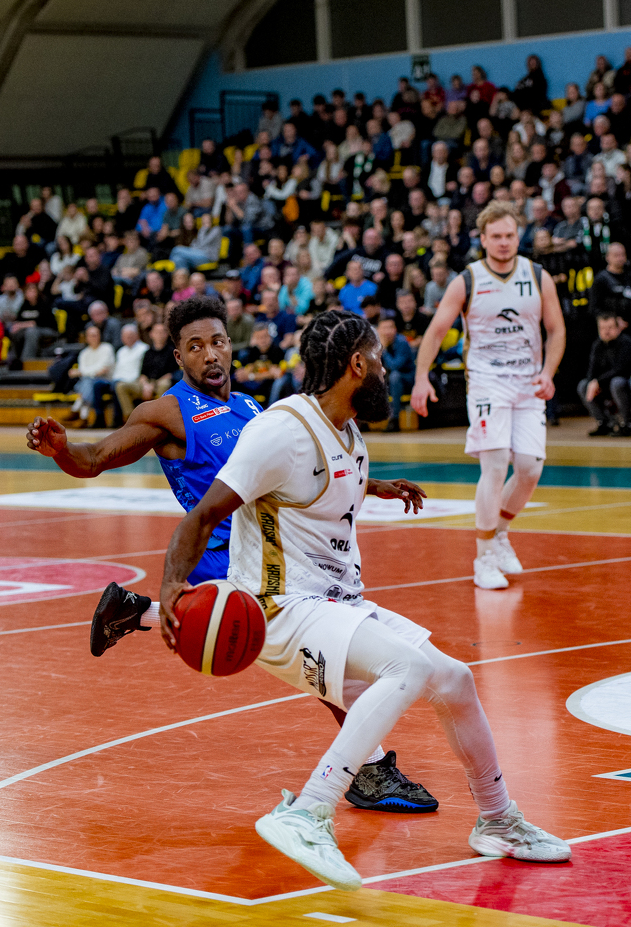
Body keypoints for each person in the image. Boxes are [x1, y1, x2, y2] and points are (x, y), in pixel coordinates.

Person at [146, 310, 571, 890]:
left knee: (454, 679)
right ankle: (307, 812)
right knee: (408, 666)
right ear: (355, 365)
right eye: (379, 361)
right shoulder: (281, 429)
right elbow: (203, 515)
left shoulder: (346, 430)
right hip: (280, 609)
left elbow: (319, 479)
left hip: (337, 604)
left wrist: (378, 485)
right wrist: (171, 586)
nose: (386, 372)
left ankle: (497, 820)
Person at [23, 295, 437, 815]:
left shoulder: (250, 407)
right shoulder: (167, 413)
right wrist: (63, 449)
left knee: (317, 646)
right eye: (195, 346)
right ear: (179, 356)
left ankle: (133, 611)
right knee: (322, 653)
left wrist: (373, 485)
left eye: (217, 341)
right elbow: (96, 459)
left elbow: (293, 470)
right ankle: (368, 769)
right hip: (225, 551)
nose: (210, 354)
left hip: (275, 547)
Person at [412, 201, 565, 590]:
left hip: (528, 383)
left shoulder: (537, 275)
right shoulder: (467, 280)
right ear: (483, 239)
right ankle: (483, 559)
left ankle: (499, 534)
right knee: (495, 464)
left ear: (518, 236)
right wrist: (421, 378)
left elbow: (556, 329)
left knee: (529, 469)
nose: (503, 242)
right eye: (496, 236)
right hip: (486, 382)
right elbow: (436, 330)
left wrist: (548, 373)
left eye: (509, 235)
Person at [581, 312, 631, 435]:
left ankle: (627, 423)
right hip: (605, 383)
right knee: (583, 385)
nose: (606, 331)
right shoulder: (597, 345)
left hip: (627, 383)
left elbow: (621, 369)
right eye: (602, 328)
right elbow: (592, 369)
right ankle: (604, 423)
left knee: (616, 382)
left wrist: (598, 382)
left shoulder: (627, 343)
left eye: (610, 328)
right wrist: (592, 382)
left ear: (618, 328)